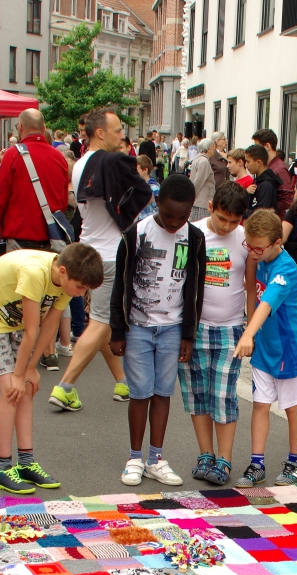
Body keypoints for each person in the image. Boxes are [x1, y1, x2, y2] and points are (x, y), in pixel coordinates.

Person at [0, 245, 105, 493]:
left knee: (28, 389)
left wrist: (30, 370)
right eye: (80, 287)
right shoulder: (34, 273)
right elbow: (33, 330)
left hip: (16, 317)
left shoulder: (65, 282)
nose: (81, 294)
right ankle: (1, 468)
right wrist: (20, 374)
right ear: (62, 271)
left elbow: (50, 324)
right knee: (11, 389)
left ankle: (26, 463)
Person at [48, 108, 150, 411]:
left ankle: (122, 381)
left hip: (89, 250)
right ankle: (65, 387)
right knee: (102, 322)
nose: (123, 135)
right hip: (110, 255)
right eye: (118, 130)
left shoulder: (81, 164)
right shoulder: (108, 163)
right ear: (100, 133)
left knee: (101, 321)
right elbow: (139, 193)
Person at [109, 175, 206, 487]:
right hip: (137, 326)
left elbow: (195, 289)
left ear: (192, 210)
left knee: (163, 393)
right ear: (156, 203)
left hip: (173, 328)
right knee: (140, 393)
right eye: (168, 215)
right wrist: (117, 330)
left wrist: (189, 335)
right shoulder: (135, 234)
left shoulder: (194, 237)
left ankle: (155, 458)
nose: (175, 222)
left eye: (183, 216)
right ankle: (134, 457)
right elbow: (119, 285)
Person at [233, 209, 297, 487]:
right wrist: (251, 331)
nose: (252, 252)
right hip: (264, 345)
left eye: (258, 247)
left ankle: (295, 461)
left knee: (291, 406)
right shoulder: (258, 258)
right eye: (248, 246)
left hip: (288, 346)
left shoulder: (286, 268)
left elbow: (268, 303)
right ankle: (257, 463)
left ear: (278, 241)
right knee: (260, 405)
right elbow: (253, 293)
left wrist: (247, 334)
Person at [183, 181, 251, 486]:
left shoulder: (245, 240)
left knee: (223, 394)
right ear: (210, 207)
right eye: (222, 218)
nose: (226, 226)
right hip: (195, 329)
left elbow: (250, 284)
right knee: (197, 393)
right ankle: (205, 454)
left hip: (231, 328)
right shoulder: (193, 233)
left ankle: (224, 459)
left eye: (234, 221)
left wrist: (251, 327)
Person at [0, 108, 70, 253]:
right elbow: (63, 201)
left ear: (20, 127)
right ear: (43, 128)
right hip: (51, 238)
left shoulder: (13, 155)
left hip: (19, 236)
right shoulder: (59, 157)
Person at [251, 128, 294, 216]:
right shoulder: (269, 166)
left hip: (272, 221)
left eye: (258, 147)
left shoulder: (279, 169)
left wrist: (269, 209)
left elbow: (287, 200)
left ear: (267, 146)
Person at [245, 144, 281, 213]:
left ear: (258, 162)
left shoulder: (266, 185)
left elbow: (261, 214)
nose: (246, 165)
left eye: (248, 161)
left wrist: (244, 212)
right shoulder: (258, 181)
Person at [188, 138, 216, 221]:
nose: (214, 148)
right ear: (207, 148)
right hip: (202, 201)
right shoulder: (204, 161)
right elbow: (199, 181)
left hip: (199, 201)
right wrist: (191, 196)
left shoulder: (199, 159)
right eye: (212, 146)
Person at [136, 154, 160, 222]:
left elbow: (157, 209)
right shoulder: (137, 185)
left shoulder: (154, 188)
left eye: (137, 170)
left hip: (147, 222)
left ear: (145, 170)